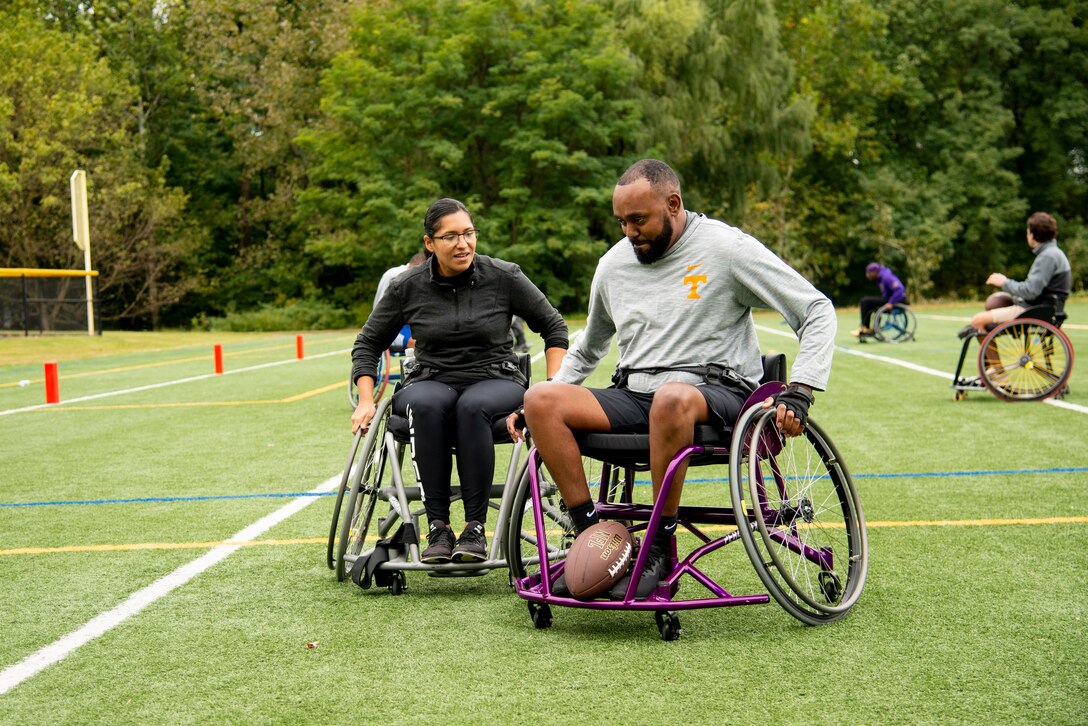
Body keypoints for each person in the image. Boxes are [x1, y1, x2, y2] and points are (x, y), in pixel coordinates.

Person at [510, 159, 836, 599]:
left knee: (671, 397)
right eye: (622, 221)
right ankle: (594, 538)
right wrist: (544, 395)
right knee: (541, 399)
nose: (629, 232)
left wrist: (801, 390)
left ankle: (659, 544)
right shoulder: (613, 266)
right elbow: (588, 347)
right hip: (637, 393)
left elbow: (815, 310)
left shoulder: (726, 249)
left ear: (674, 204)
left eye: (639, 220)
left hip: (718, 393)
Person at [351, 198, 568, 564]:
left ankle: (474, 529)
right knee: (426, 404)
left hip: (495, 377)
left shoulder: (504, 276)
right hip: (431, 378)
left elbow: (554, 327)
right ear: (429, 243)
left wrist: (552, 386)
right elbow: (368, 343)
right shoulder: (407, 286)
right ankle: (438, 527)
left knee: (472, 407)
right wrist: (367, 400)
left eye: (468, 233)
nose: (462, 244)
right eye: (450, 236)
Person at [958, 212, 1072, 339]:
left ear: (1032, 235)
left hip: (1034, 310)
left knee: (977, 321)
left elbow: (1030, 291)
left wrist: (1004, 282)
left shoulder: (1047, 257)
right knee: (995, 302)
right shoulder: (1055, 253)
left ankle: (990, 359)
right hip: (1045, 308)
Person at [374, 251, 427, 350]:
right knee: (417, 343)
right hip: (392, 326)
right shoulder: (394, 276)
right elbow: (382, 319)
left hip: (411, 324)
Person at [852, 262, 906, 337]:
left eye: (869, 273)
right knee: (867, 304)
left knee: (865, 301)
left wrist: (891, 302)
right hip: (889, 299)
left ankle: (865, 327)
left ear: (874, 272)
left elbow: (900, 289)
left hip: (897, 301)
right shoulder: (880, 278)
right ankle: (865, 327)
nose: (868, 276)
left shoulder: (886, 277)